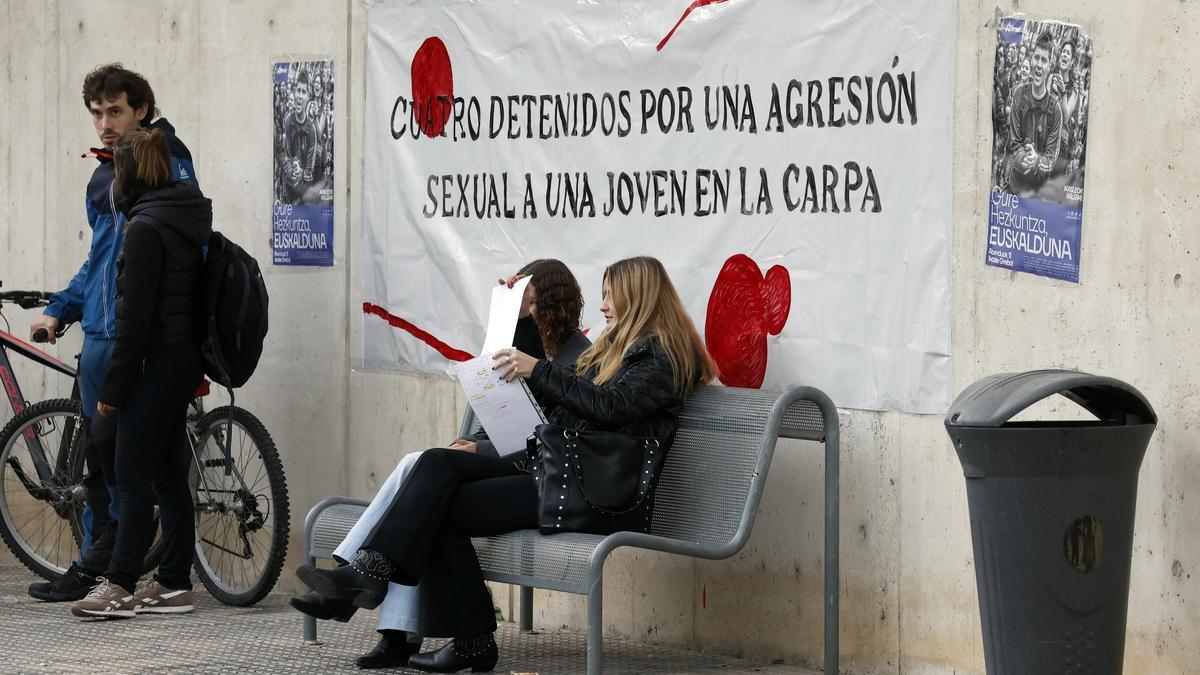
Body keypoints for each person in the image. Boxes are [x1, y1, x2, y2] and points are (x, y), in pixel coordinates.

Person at [295, 256, 717, 672]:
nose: (604, 306)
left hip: (595, 493)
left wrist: (539, 371)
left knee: (445, 507)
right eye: (603, 296)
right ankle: (372, 572)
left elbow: (612, 407)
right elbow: (555, 403)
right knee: (435, 465)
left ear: (637, 298)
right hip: (561, 472)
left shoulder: (660, 358)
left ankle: (460, 634)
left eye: (611, 296)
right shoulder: (615, 350)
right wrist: (519, 320)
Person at [290, 259, 590, 669]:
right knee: (425, 476)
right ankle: (378, 602)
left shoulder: (578, 360)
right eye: (522, 302)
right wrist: (508, 308)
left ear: (552, 305)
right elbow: (508, 405)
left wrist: (480, 452)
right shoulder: (534, 347)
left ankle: (366, 587)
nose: (525, 310)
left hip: (539, 476)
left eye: (531, 302)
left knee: (425, 477)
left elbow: (551, 437)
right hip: (511, 464)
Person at [28, 64, 198, 603]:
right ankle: (144, 571)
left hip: (137, 342)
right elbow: (101, 262)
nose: (104, 123)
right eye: (97, 113)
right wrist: (62, 309)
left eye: (115, 111)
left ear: (141, 109)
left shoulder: (159, 169)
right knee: (110, 460)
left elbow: (153, 266)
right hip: (108, 333)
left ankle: (113, 573)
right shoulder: (106, 175)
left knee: (123, 464)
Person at [69, 128, 210, 619]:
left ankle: (120, 585)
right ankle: (173, 581)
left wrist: (113, 388)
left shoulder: (145, 228)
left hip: (154, 363)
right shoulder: (183, 216)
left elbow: (135, 321)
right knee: (169, 474)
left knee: (130, 476)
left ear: (128, 173)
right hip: (181, 359)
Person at [1006, 31, 1063, 196]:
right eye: (1036, 57)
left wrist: (1037, 160)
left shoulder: (1056, 111)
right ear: (1031, 59)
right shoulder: (1018, 94)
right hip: (1014, 188)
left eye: (1044, 60)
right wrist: (1024, 158)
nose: (1039, 64)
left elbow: (1051, 160)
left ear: (1050, 65)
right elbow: (1014, 144)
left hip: (1039, 194)